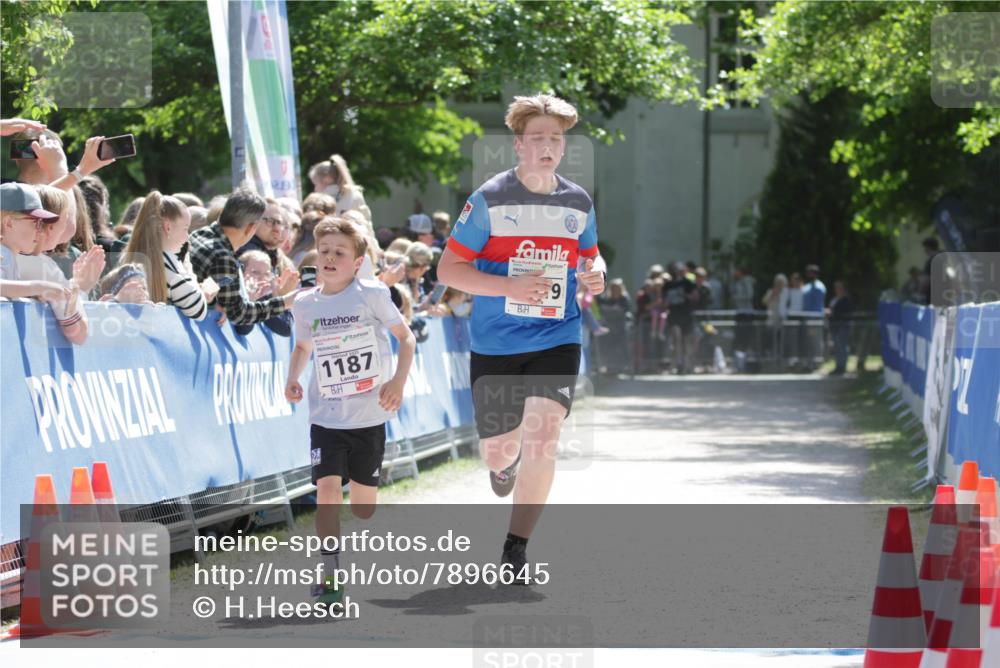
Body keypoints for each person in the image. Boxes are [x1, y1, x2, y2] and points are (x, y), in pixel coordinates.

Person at [436, 93, 605, 580]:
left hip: (557, 334)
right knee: (500, 451)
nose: (548, 147)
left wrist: (594, 273)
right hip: (497, 343)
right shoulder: (488, 198)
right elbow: (451, 268)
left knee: (544, 434)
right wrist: (509, 286)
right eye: (538, 139)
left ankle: (516, 547)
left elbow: (590, 257)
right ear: (518, 145)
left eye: (556, 138)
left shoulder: (577, 200)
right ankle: (502, 466)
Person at [284, 218, 415, 604]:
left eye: (339, 252)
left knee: (362, 509)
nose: (329, 257)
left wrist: (397, 382)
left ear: (357, 262)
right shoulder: (306, 303)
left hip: (370, 417)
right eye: (324, 251)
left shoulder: (372, 294)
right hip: (326, 417)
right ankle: (330, 574)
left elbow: (405, 339)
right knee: (326, 492)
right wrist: (292, 378)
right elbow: (303, 348)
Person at [188, 186, 301, 326]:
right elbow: (239, 314)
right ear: (250, 228)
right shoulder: (224, 257)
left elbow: (208, 280)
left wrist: (217, 302)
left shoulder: (200, 234)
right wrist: (285, 302)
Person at [15, 184, 104, 345]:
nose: (67, 224)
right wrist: (80, 286)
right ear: (50, 226)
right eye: (66, 216)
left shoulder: (14, 254)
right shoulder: (43, 267)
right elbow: (78, 334)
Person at [122, 191, 211, 320]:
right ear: (168, 227)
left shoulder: (134, 256)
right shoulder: (169, 264)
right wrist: (187, 267)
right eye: (185, 228)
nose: (187, 237)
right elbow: (199, 310)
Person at [0, 183, 70, 305]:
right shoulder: (3, 253)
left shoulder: (9, 256)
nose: (40, 230)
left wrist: (32, 294)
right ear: (9, 223)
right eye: (35, 222)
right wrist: (38, 287)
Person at [236, 249, 292, 337]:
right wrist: (250, 300)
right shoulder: (233, 290)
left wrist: (277, 295)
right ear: (242, 272)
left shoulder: (264, 297)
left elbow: (285, 329)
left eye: (266, 274)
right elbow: (243, 330)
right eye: (255, 272)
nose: (262, 278)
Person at [663, 262, 698, 374]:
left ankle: (688, 364)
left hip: (686, 314)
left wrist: (685, 295)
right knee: (676, 339)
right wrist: (666, 303)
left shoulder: (688, 283)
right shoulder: (667, 285)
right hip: (674, 314)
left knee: (687, 341)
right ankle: (678, 363)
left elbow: (695, 297)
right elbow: (664, 302)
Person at [827, 280, 853, 375]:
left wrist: (832, 313)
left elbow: (845, 314)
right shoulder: (834, 299)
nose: (838, 289)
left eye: (839, 287)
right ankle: (838, 366)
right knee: (837, 347)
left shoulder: (846, 300)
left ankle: (842, 367)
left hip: (843, 327)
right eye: (836, 287)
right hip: (834, 327)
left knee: (842, 347)